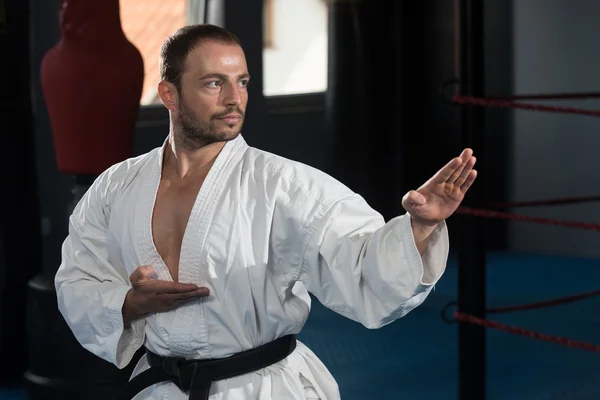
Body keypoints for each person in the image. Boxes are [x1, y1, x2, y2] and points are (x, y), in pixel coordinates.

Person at [54, 24, 477, 400]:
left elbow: (362, 262)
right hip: (162, 388)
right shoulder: (117, 185)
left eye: (243, 82)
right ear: (170, 93)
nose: (235, 99)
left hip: (262, 387)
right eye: (214, 83)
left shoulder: (285, 185)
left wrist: (420, 226)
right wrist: (128, 303)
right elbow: (77, 278)